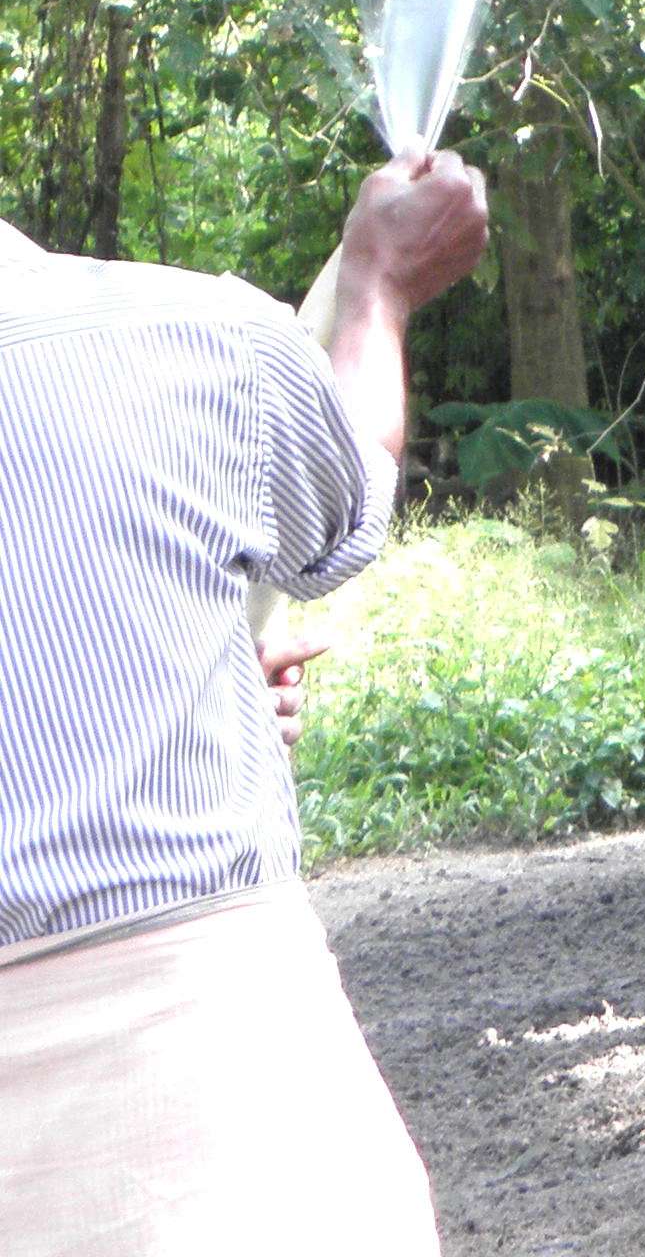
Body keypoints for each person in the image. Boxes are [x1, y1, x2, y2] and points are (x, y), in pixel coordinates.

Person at [0, 147, 490, 1257]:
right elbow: (353, 490)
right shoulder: (202, 335)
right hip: (230, 1133)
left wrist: (186, 694)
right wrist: (375, 287)